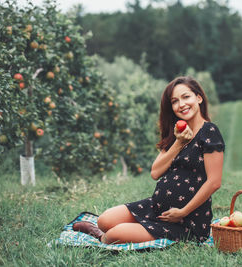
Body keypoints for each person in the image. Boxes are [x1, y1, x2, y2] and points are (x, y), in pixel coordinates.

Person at [73, 76, 225, 244]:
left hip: (187, 220)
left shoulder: (209, 131)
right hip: (156, 208)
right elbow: (155, 172)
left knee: (113, 235)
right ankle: (127, 228)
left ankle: (102, 236)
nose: (181, 104)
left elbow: (214, 182)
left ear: (198, 98)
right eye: (174, 101)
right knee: (103, 221)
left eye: (186, 97)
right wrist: (178, 142)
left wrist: (182, 212)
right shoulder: (177, 133)